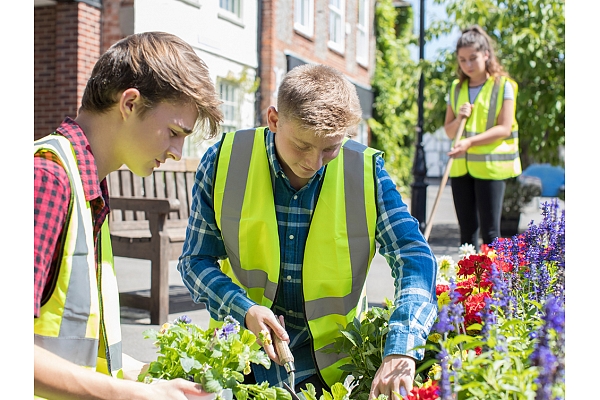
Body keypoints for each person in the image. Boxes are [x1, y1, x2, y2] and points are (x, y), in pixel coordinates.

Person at [177, 63, 438, 399]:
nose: (314, 163)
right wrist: (243, 309)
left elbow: (414, 256)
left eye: (330, 148)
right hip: (242, 357)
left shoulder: (366, 172)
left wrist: (401, 347)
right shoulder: (224, 160)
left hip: (337, 368)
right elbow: (195, 260)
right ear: (273, 120)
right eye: (302, 145)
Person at [34, 31, 223, 399]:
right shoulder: (48, 177)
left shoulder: (88, 185)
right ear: (131, 103)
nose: (175, 151)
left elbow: (84, 350)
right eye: (173, 132)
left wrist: (156, 380)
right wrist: (137, 395)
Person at [444, 25, 522, 248]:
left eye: (472, 58)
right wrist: (459, 119)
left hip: (490, 167)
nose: (467, 65)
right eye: (462, 60)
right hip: (460, 168)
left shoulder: (504, 86)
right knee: (467, 236)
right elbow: (449, 131)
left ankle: (494, 283)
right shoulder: (456, 88)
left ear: (486, 54)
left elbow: (504, 128)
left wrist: (468, 143)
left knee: (490, 234)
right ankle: (468, 283)